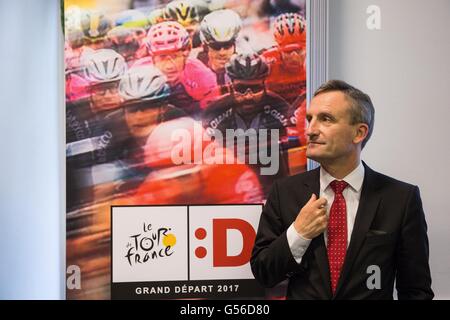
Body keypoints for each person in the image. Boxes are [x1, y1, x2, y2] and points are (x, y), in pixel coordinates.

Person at [250, 80, 434, 300]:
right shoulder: (285, 192)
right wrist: (299, 232)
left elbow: (416, 290)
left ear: (359, 133)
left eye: (325, 119)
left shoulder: (401, 199)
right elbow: (264, 273)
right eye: (310, 119)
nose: (310, 130)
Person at [197, 9, 243, 86]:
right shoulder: (195, 68)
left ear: (235, 46)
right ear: (205, 47)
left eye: (227, 46)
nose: (222, 53)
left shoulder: (246, 67)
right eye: (216, 46)